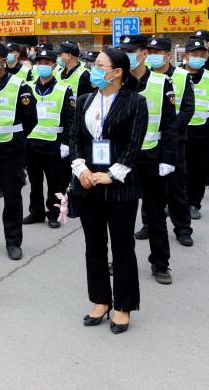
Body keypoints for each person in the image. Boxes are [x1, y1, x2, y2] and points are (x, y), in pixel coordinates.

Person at [68, 46, 148, 334]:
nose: (93, 69)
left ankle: (123, 306)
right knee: (94, 246)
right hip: (87, 184)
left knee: (122, 247)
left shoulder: (135, 102)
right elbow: (75, 138)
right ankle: (100, 300)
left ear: (117, 72)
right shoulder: (85, 100)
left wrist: (112, 175)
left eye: (100, 65)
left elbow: (134, 143)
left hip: (120, 187)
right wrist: (81, 169)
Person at [118, 34, 178, 284]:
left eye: (131, 51)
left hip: (152, 158)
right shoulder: (116, 82)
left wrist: (168, 158)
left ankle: (160, 264)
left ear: (144, 54)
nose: (127, 55)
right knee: (121, 217)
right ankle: (121, 261)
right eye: (123, 51)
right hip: (122, 161)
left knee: (155, 214)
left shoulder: (162, 83)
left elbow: (171, 124)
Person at [0, 40, 37, 261]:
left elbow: (31, 119)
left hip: (10, 151)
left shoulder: (19, 86)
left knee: (12, 198)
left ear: (3, 61)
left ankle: (13, 242)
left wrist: (17, 140)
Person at [143, 36, 194, 247]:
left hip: (173, 140)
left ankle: (183, 229)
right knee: (149, 188)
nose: (152, 56)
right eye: (150, 53)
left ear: (168, 55)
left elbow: (188, 108)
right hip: (149, 141)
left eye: (157, 53)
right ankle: (148, 224)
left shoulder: (182, 76)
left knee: (175, 186)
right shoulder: (143, 75)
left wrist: (169, 128)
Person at [23, 48, 75, 229]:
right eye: (39, 62)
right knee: (35, 182)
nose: (42, 66)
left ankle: (53, 213)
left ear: (53, 66)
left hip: (54, 143)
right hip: (32, 143)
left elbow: (71, 119)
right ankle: (36, 212)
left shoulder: (64, 89)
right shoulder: (28, 87)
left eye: (46, 63)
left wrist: (66, 143)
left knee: (55, 182)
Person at [178, 39, 209, 213]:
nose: (198, 58)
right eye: (194, 54)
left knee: (198, 169)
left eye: (201, 55)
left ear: (206, 57)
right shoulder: (175, 75)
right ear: (185, 56)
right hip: (179, 130)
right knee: (177, 169)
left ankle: (194, 203)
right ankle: (177, 203)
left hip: (201, 131)